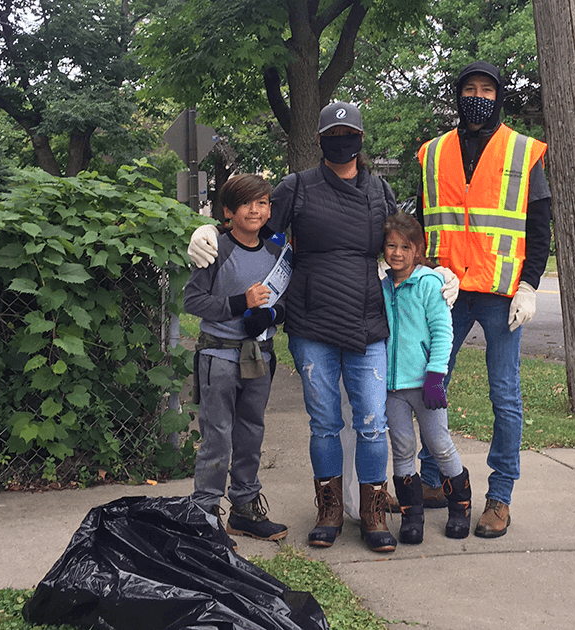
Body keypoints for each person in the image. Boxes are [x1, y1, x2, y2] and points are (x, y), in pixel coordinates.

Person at [187, 102, 462, 553]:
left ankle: (373, 511)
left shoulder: (379, 190)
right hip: (311, 320)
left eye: (349, 132)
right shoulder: (297, 187)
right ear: (319, 140)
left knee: (373, 423)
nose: (342, 139)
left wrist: (433, 272)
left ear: (360, 137)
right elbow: (254, 228)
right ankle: (329, 509)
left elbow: (403, 241)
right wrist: (209, 233)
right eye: (332, 133)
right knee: (325, 424)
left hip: (367, 321)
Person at [416, 61, 551, 539]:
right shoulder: (432, 154)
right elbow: (422, 223)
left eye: (487, 90)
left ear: (499, 97)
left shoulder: (523, 151)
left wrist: (529, 285)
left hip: (499, 295)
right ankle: (433, 481)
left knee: (505, 397)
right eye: (470, 89)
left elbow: (538, 229)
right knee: (428, 387)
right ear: (458, 96)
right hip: (446, 292)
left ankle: (500, 497)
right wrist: (419, 272)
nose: (478, 96)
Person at [183, 173, 289, 543]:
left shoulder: (277, 255)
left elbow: (286, 302)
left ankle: (244, 508)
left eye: (262, 203)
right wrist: (237, 304)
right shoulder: (216, 250)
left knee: (250, 433)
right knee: (217, 435)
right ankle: (205, 510)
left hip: (260, 357)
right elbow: (192, 301)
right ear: (228, 211)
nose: (255, 210)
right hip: (220, 356)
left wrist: (273, 315)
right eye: (246, 203)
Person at [380, 213, 470, 543]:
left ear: (419, 249)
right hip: (393, 389)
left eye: (406, 246)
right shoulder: (383, 286)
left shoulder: (430, 284)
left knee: (440, 445)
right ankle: (411, 515)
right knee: (402, 449)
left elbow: (443, 333)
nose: (397, 252)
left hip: (425, 385)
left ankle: (460, 505)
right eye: (391, 245)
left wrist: (436, 376)